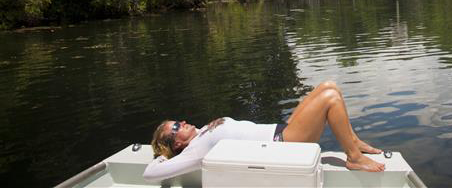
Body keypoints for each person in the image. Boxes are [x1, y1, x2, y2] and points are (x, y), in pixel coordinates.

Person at [143, 81, 385, 182]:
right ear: (176, 145)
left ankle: (354, 141)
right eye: (176, 127)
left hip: (282, 131)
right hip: (284, 145)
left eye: (178, 121)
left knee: (328, 86)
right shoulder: (195, 151)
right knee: (330, 98)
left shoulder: (203, 133)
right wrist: (162, 154)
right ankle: (353, 158)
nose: (182, 122)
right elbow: (150, 174)